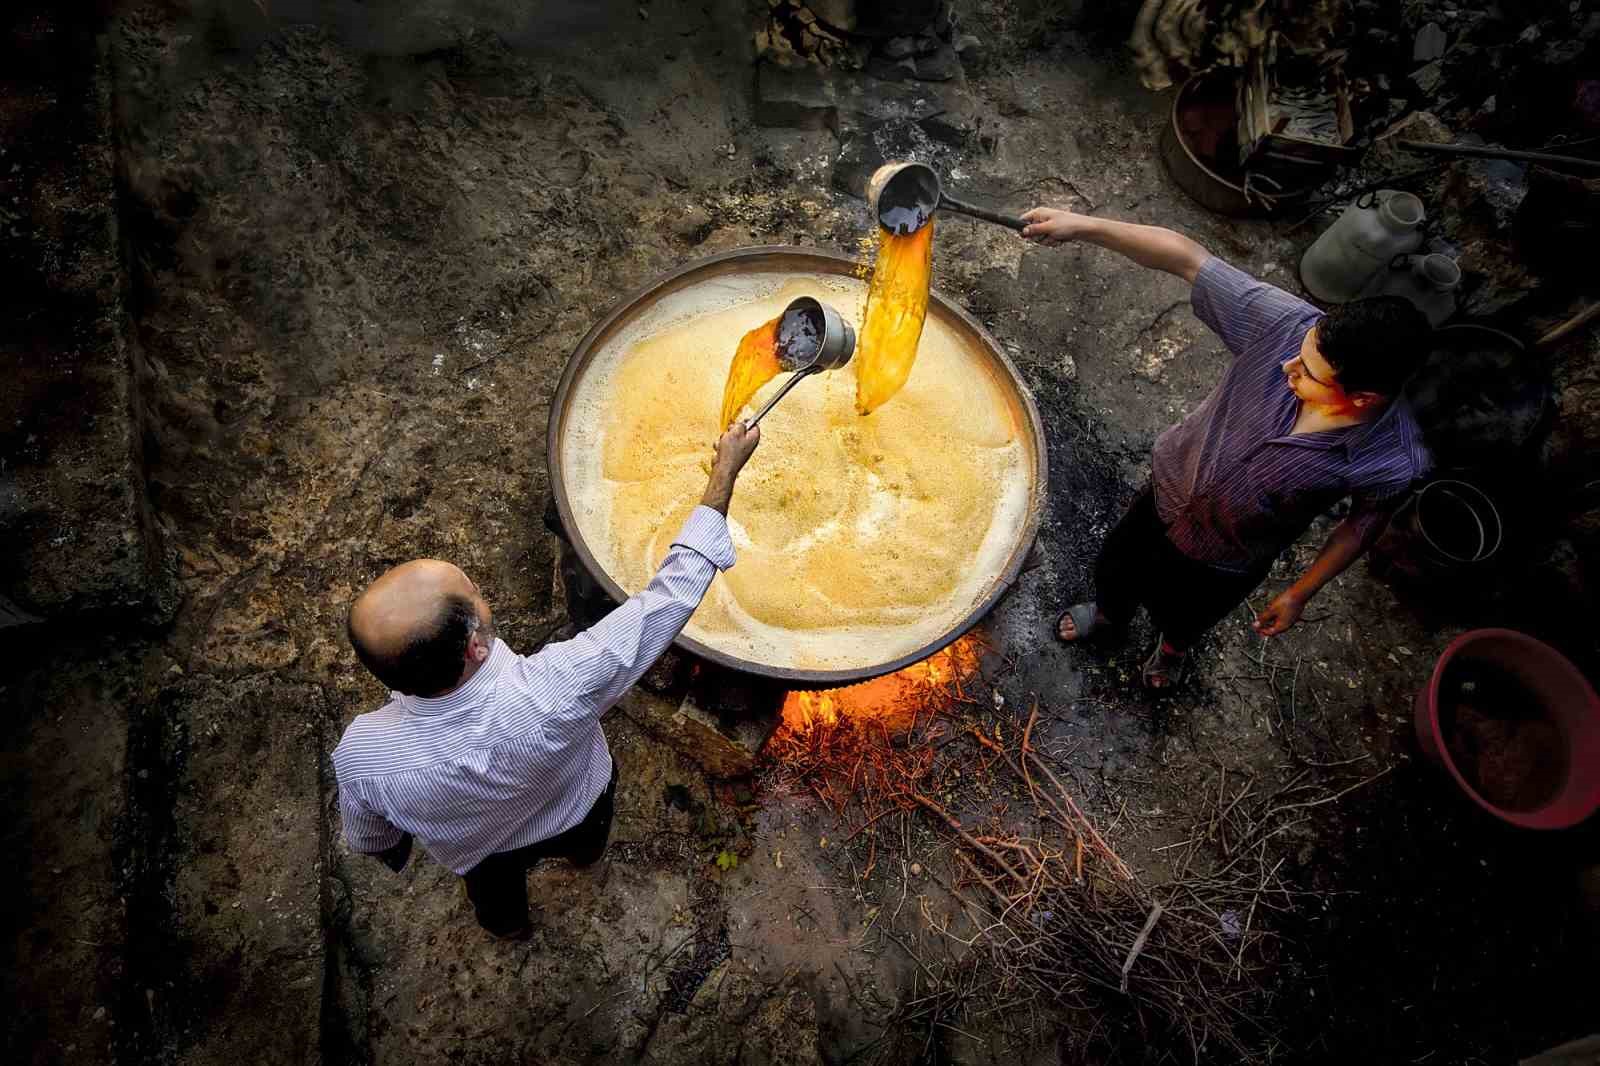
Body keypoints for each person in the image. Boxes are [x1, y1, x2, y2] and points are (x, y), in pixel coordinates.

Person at [332, 422, 761, 939]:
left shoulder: (361, 755)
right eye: (474, 592)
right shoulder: (556, 686)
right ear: (475, 645)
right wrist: (724, 472)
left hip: (480, 853)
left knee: (495, 899)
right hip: (577, 806)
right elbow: (667, 599)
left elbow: (371, 838)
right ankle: (584, 860)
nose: (479, 590)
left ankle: (510, 929)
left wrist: (403, 840)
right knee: (586, 842)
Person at [1020, 206, 1431, 689]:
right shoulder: (1287, 326)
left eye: (1308, 372)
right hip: (1163, 498)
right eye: (1301, 352)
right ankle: (1109, 616)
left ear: (1363, 398)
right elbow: (1188, 259)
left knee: (1189, 616)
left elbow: (1360, 527)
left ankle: (1170, 652)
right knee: (1117, 568)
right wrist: (1085, 226)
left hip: (1226, 558)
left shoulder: (1392, 461)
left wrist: (1301, 593)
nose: (1287, 368)